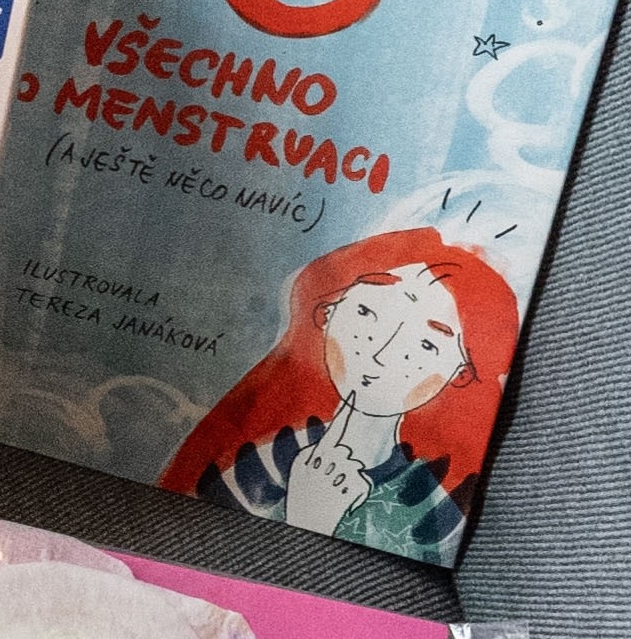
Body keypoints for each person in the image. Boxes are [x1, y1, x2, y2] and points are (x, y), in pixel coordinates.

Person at [162, 230, 520, 561]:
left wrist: (311, 521)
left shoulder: (433, 510)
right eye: (367, 313)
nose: (381, 352)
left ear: (461, 373)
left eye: (426, 344)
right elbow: (189, 555)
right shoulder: (268, 461)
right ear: (328, 312)